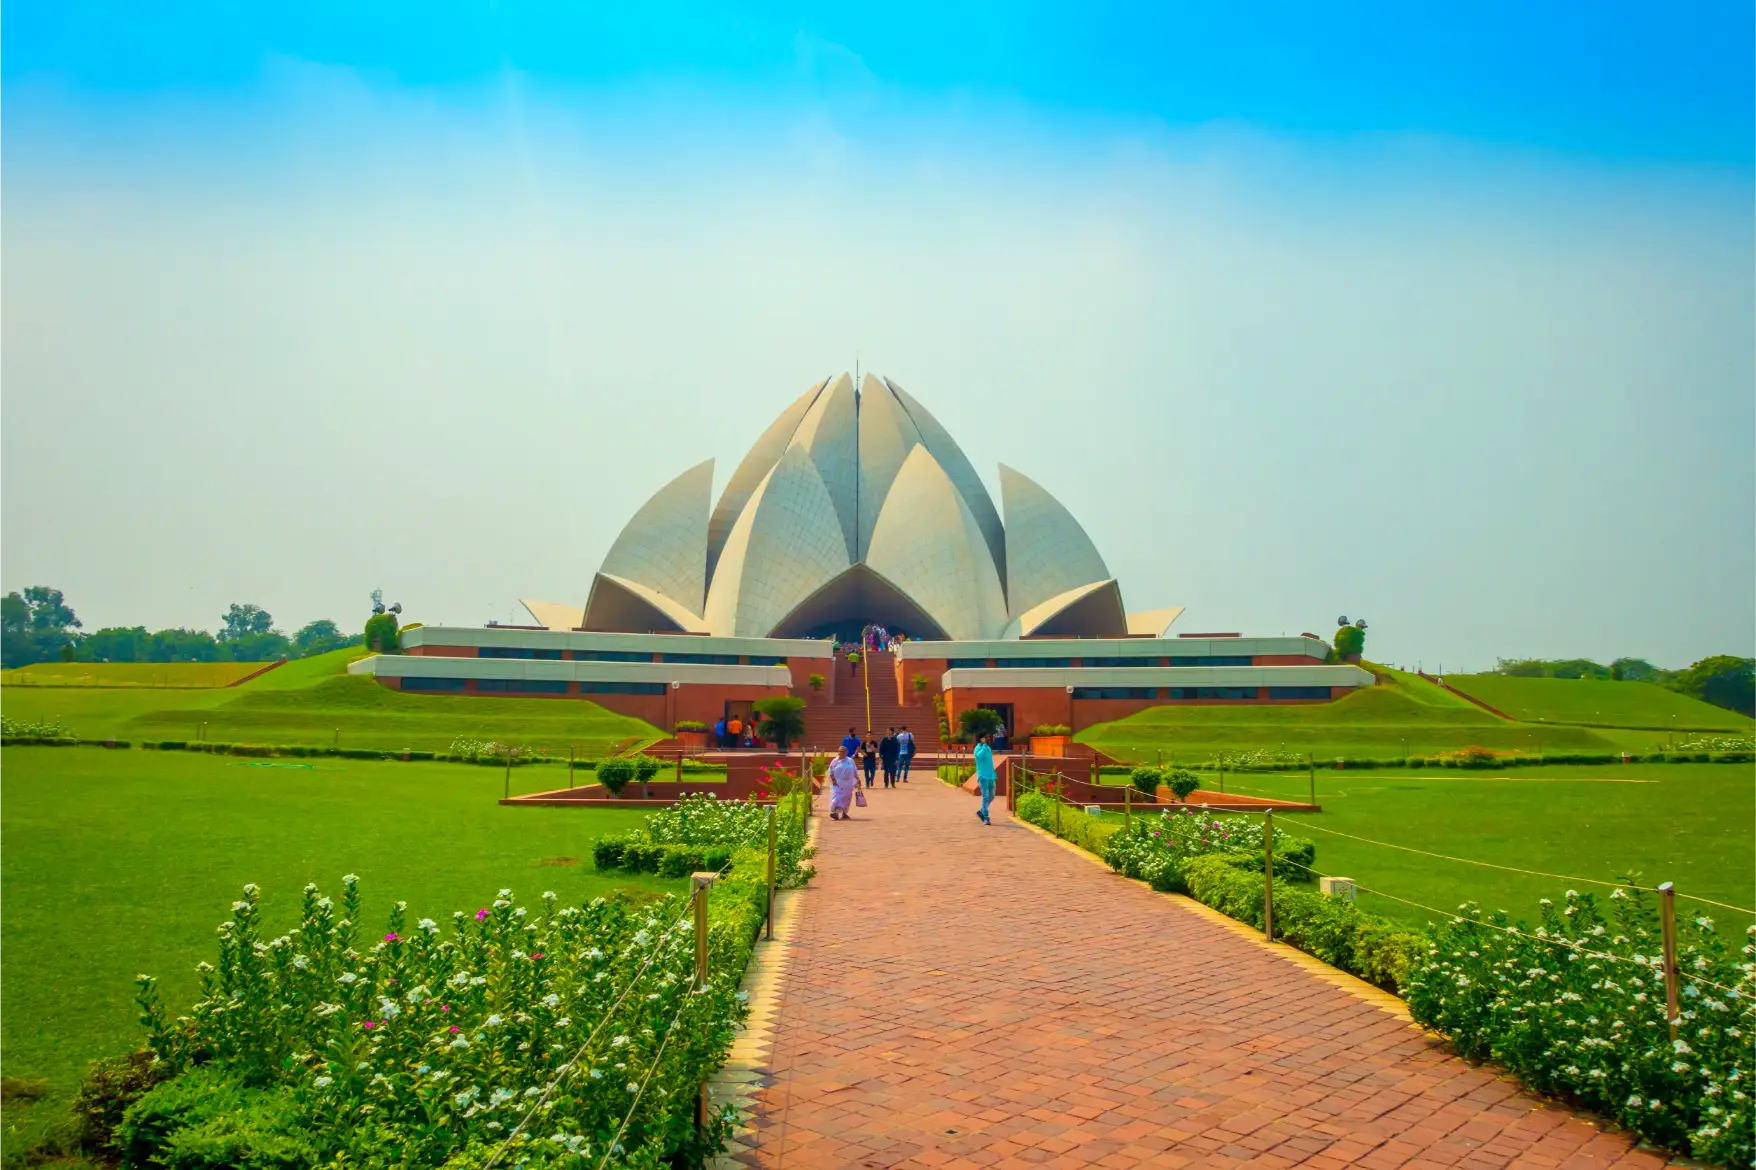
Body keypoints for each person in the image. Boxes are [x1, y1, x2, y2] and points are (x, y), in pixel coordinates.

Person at [828, 745, 860, 820]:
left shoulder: (850, 761)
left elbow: (855, 771)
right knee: (837, 798)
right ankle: (835, 812)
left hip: (848, 784)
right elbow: (830, 771)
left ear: (846, 752)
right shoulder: (835, 761)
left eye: (842, 751)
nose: (840, 753)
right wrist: (833, 780)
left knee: (846, 799)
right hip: (837, 783)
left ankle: (844, 813)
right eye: (839, 751)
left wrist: (858, 780)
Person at [973, 733, 997, 824]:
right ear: (981, 739)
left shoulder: (988, 748)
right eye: (986, 738)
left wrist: (986, 746)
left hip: (991, 776)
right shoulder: (978, 748)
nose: (988, 739)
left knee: (992, 796)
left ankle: (982, 811)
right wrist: (983, 746)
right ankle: (986, 817)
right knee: (985, 796)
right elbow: (979, 756)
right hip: (983, 776)